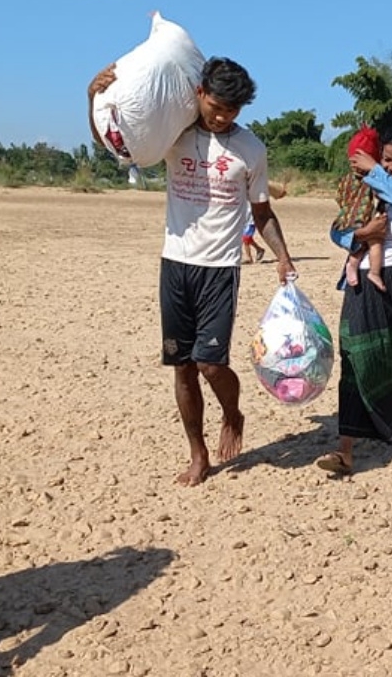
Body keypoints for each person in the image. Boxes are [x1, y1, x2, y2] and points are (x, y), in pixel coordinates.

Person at [88, 57, 296, 487]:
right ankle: (198, 453)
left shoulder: (250, 149)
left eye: (231, 112)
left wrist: (282, 256)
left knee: (210, 363)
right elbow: (117, 145)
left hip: (220, 268)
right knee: (182, 366)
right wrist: (93, 98)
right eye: (216, 107)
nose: (221, 118)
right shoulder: (172, 133)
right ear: (199, 93)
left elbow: (262, 211)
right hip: (176, 263)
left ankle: (233, 412)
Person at [319, 124, 392, 475]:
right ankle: (345, 448)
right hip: (364, 283)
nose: (391, 167)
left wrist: (374, 171)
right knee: (354, 353)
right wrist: (360, 234)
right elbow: (337, 228)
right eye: (386, 159)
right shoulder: (363, 184)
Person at [334, 125, 388, 291]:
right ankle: (372, 271)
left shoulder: (347, 179)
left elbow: (339, 197)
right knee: (374, 242)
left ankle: (356, 265)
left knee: (367, 242)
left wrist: (346, 209)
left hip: (346, 219)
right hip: (363, 220)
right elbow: (380, 198)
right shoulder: (373, 180)